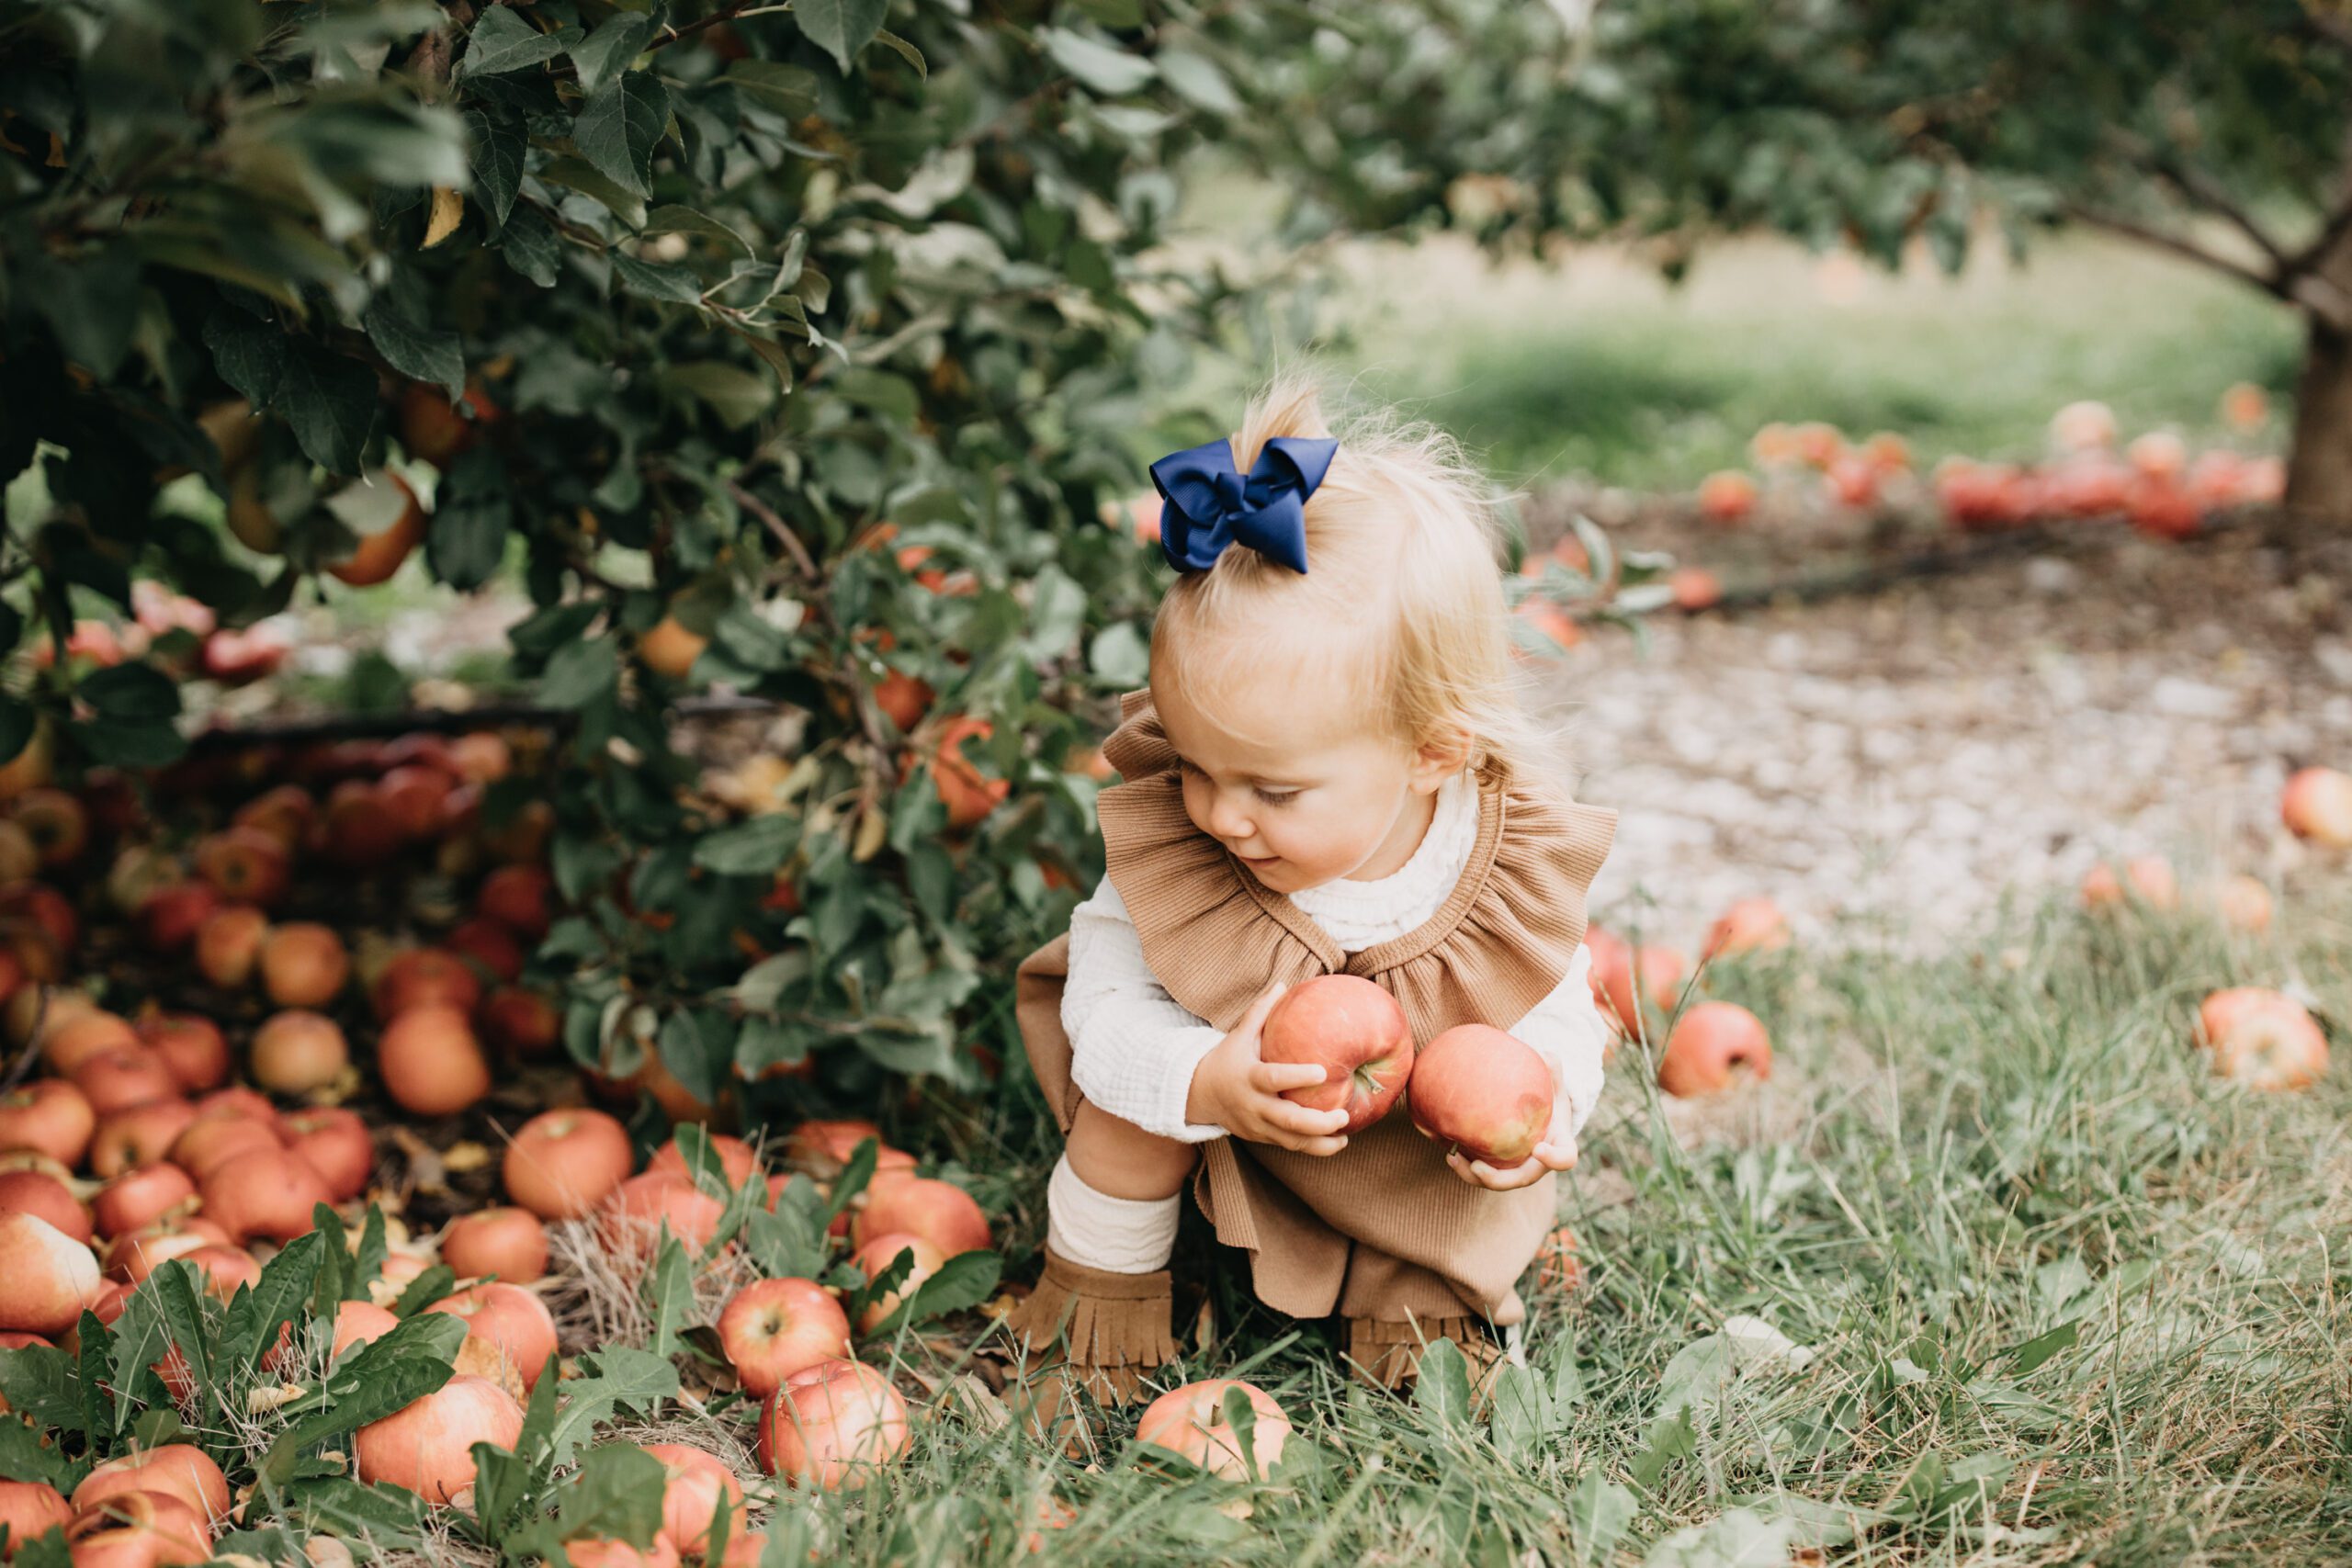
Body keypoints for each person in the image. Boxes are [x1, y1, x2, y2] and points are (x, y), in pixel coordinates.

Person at [1011, 375, 1617, 1417]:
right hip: (1222, 1138)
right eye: (1195, 765)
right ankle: (1097, 1306)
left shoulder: (1496, 865)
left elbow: (1564, 1014)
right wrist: (1205, 1081)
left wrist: (1543, 1104)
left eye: (1271, 789)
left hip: (1395, 1161)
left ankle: (1418, 1312)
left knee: (1454, 1169)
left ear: (1433, 752)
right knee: (1129, 1110)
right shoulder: (1187, 847)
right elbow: (1100, 1010)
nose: (1219, 814)